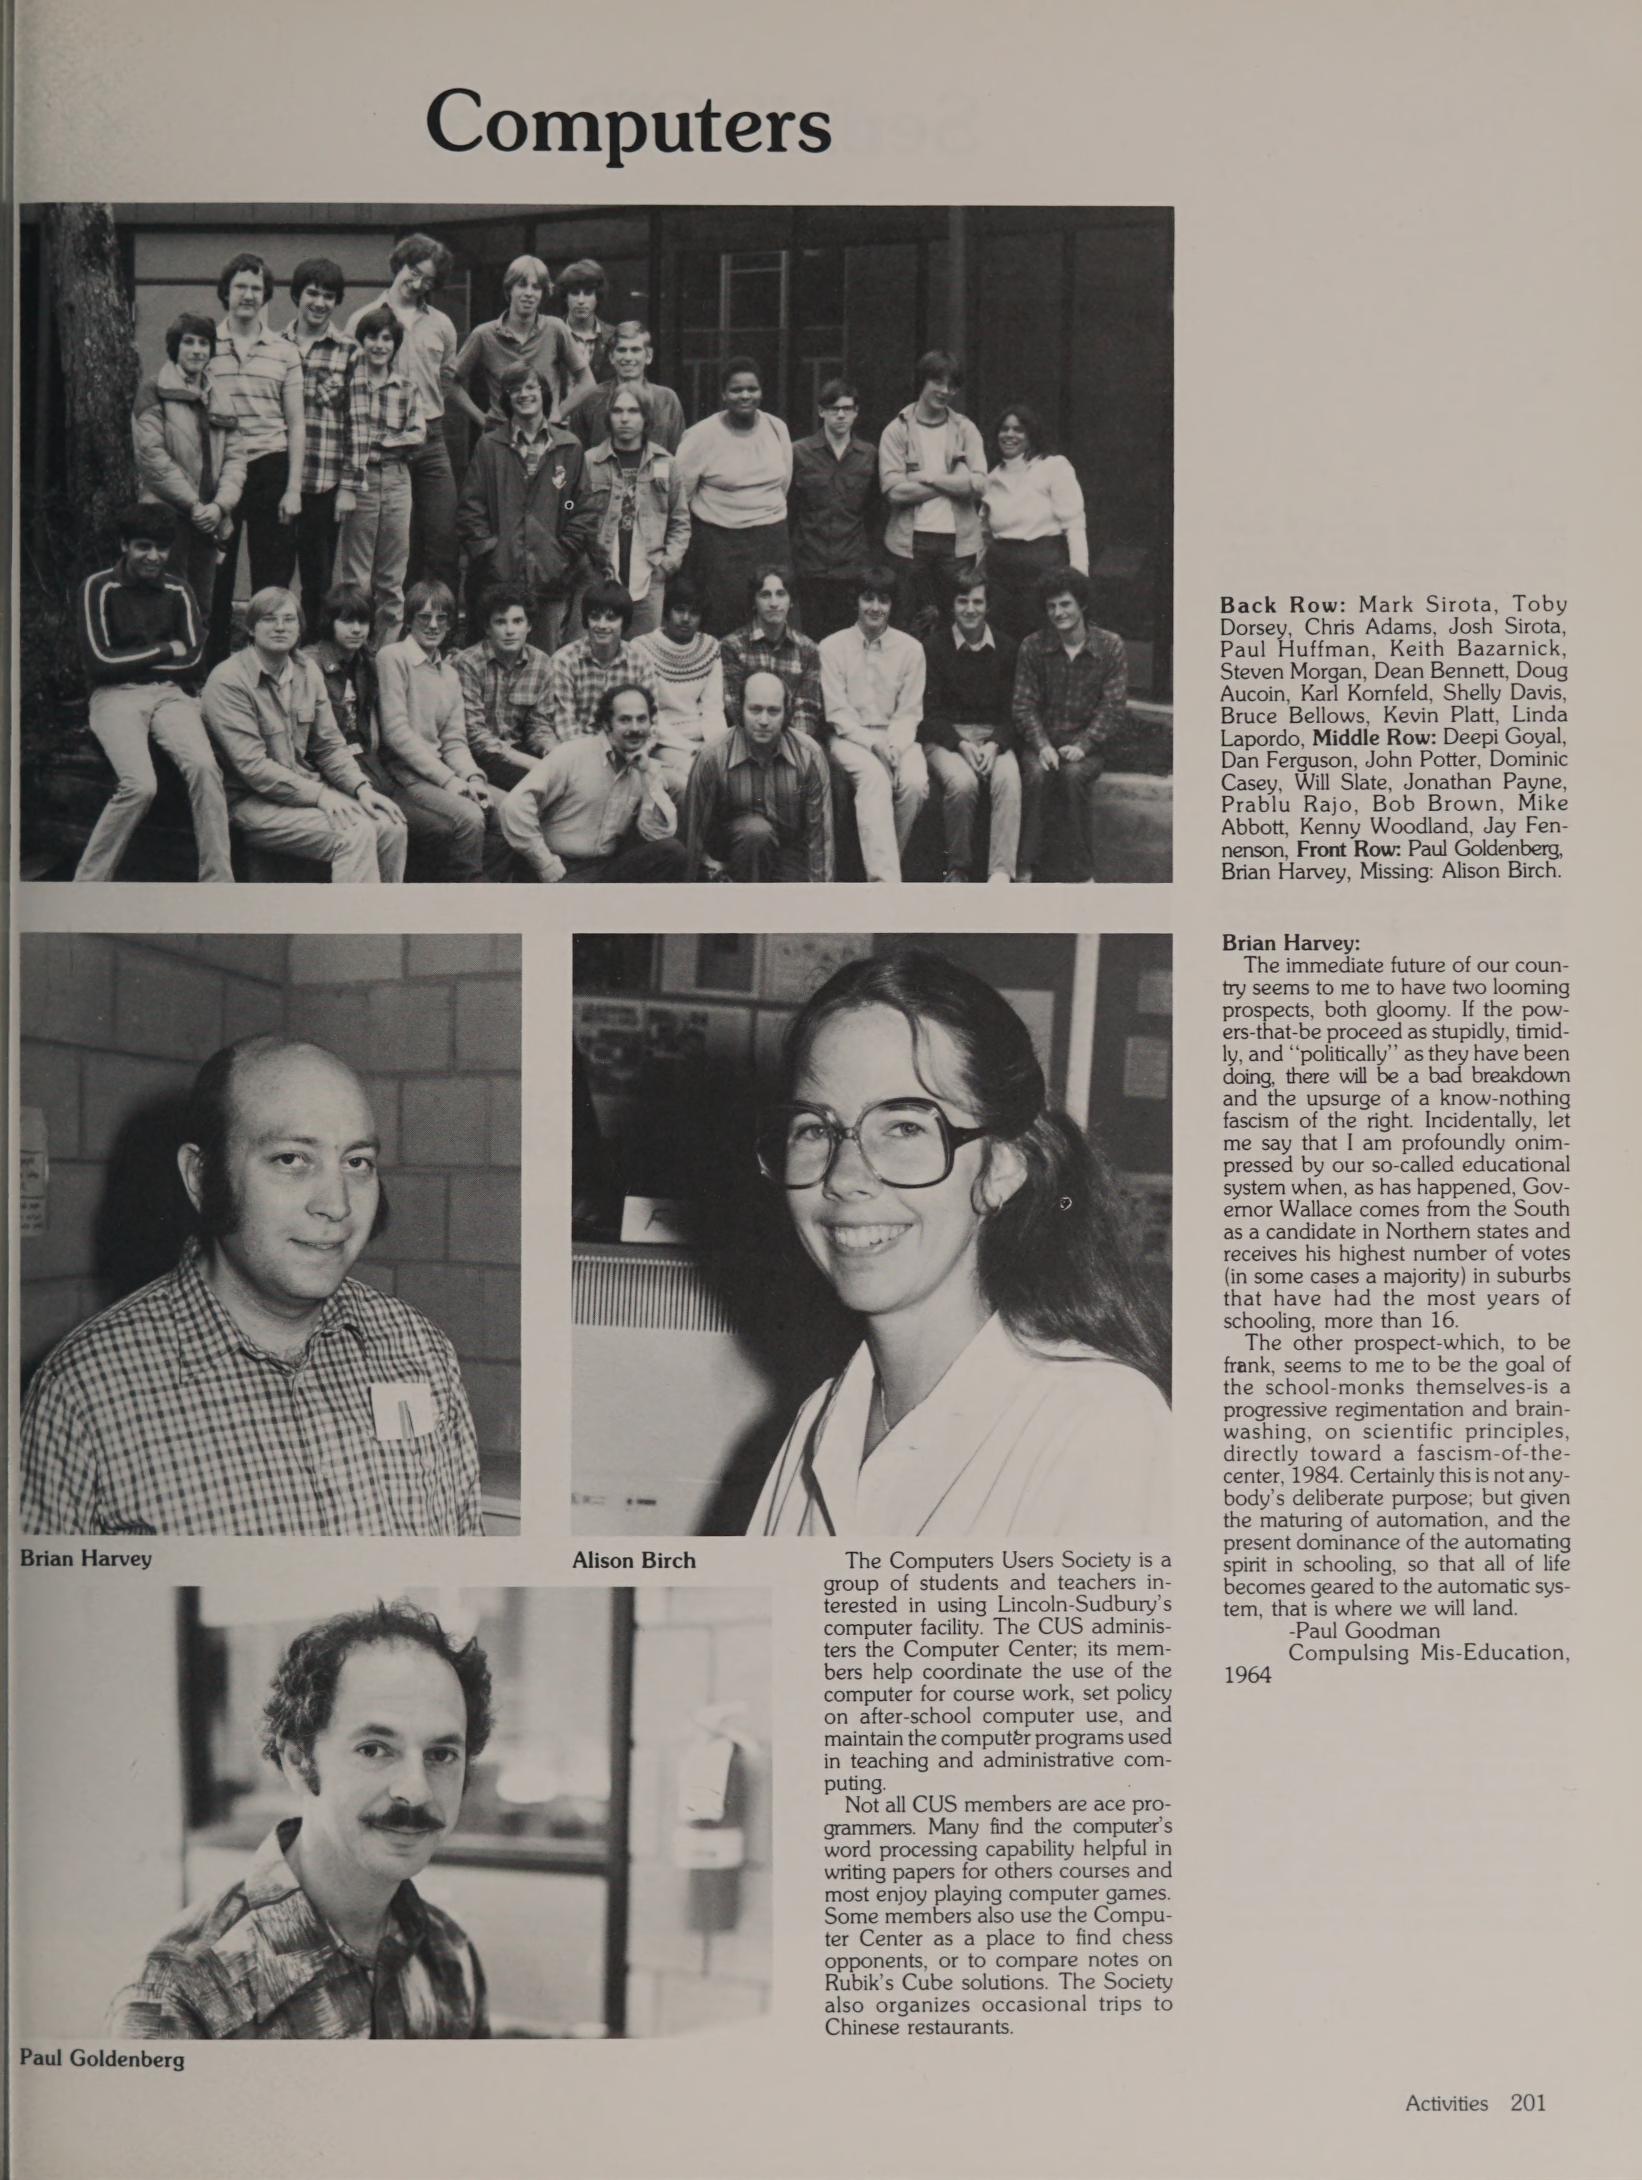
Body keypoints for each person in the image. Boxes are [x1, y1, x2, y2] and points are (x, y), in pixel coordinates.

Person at [747, 951, 1170, 1537]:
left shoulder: (1098, 1423)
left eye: (904, 1127)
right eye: (816, 1129)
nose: (844, 1176)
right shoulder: (819, 1422)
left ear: (1000, 1168)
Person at [20, 1036, 486, 1534]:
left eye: (357, 1163)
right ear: (201, 1178)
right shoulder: (84, 1391)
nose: (338, 1205)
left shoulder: (421, 1350)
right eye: (291, 1159)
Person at [110, 1600, 492, 2036]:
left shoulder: (450, 1953)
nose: (416, 1789)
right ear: (298, 1761)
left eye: (441, 1755)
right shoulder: (180, 1987)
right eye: (373, 1749)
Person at [73, 504, 234, 884]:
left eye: (162, 548)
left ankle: (220, 886)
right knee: (140, 786)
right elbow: (99, 663)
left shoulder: (179, 589)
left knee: (205, 768)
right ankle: (86, 885)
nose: (154, 557)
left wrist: (132, 660)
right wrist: (165, 649)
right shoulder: (97, 587)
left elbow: (195, 660)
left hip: (170, 695)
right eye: (143, 546)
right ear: (124, 545)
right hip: (113, 696)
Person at [200, 587, 407, 882]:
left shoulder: (306, 671)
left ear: (300, 628)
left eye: (289, 619)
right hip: (251, 802)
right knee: (355, 832)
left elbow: (330, 745)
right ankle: (354, 928)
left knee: (391, 825)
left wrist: (362, 789)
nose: (281, 627)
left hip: (304, 793)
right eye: (270, 619)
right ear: (251, 627)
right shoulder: (228, 681)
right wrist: (321, 796)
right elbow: (254, 769)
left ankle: (384, 923)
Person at [345, 234, 461, 590]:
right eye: (413, 272)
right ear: (399, 265)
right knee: (393, 544)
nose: (417, 284)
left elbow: (446, 377)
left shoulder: (442, 324)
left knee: (442, 533)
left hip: (430, 437)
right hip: (382, 445)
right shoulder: (363, 318)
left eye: (428, 280)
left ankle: (439, 626)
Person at [376, 582, 514, 880]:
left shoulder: (450, 674)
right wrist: (450, 781)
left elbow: (454, 740)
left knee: (511, 811)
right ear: (410, 619)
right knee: (470, 816)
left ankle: (483, 887)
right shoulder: (393, 657)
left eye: (442, 618)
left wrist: (473, 778)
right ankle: (463, 898)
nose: (433, 625)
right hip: (407, 776)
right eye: (424, 617)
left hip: (445, 777)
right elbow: (396, 732)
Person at [203, 252, 305, 650]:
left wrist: (293, 488)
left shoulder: (284, 350)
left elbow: (296, 423)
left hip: (270, 467)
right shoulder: (205, 344)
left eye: (256, 288)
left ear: (266, 296)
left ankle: (269, 658)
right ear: (226, 292)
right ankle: (211, 666)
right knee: (216, 573)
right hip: (220, 471)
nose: (248, 295)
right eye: (240, 286)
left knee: (272, 573)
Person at [455, 361, 593, 653]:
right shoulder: (490, 446)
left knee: (544, 660)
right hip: (500, 578)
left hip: (549, 576)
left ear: (543, 393)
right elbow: (472, 506)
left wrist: (561, 550)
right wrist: (491, 550)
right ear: (506, 398)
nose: (523, 394)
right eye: (514, 389)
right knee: (497, 660)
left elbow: (578, 505)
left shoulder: (568, 447)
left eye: (531, 387)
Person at [501, 680, 687, 882]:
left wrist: (648, 777)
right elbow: (514, 806)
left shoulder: (643, 768)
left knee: (672, 852)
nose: (635, 728)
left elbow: (657, 834)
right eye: (624, 720)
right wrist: (544, 862)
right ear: (607, 724)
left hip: (602, 869)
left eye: (641, 719)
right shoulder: (572, 754)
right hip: (558, 868)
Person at [1011, 568, 1129, 882]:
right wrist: (1042, 745)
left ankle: (1083, 872)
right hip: (1043, 741)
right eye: (1051, 607)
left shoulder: (1110, 646)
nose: (1058, 613)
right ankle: (1025, 867)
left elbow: (1113, 707)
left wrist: (1084, 744)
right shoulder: (1033, 646)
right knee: (1035, 775)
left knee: (1073, 776)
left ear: (1082, 605)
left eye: (1065, 604)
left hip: (1085, 744)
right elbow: (1024, 705)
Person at [130, 311, 245, 628]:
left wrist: (220, 507)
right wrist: (193, 505)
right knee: (166, 599)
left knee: (201, 604)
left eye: (204, 343)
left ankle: (194, 675)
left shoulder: (220, 396)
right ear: (175, 347)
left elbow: (236, 459)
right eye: (189, 342)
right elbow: (151, 457)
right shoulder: (154, 391)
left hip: (209, 520)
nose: (197, 350)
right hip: (168, 516)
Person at [817, 566, 929, 882]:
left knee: (915, 783)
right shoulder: (831, 647)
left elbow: (909, 712)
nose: (875, 608)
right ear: (857, 601)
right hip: (849, 738)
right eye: (868, 599)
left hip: (898, 737)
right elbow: (837, 712)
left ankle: (886, 866)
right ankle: (884, 884)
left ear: (893, 605)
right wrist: (874, 746)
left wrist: (894, 746)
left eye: (883, 600)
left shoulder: (911, 650)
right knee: (875, 778)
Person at [920, 572, 1026, 882]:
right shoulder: (934, 648)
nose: (970, 609)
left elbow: (1015, 712)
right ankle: (958, 868)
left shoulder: (1007, 649)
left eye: (977, 601)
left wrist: (995, 744)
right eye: (962, 601)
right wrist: (960, 744)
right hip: (947, 738)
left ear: (987, 607)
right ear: (952, 606)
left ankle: (1001, 873)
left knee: (1008, 780)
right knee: (963, 783)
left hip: (993, 737)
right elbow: (929, 713)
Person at [675, 359, 794, 636]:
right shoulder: (701, 435)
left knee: (771, 614)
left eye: (752, 389)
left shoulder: (777, 428)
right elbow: (681, 494)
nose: (745, 396)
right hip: (719, 543)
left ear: (761, 392)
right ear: (723, 394)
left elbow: (783, 481)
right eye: (736, 390)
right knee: (723, 618)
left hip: (771, 539)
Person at [683, 668, 833, 882]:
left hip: (788, 854)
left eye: (773, 711)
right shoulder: (712, 756)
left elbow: (820, 840)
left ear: (786, 714)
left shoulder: (809, 755)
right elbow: (693, 834)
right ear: (739, 711)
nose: (764, 720)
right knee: (756, 833)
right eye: (755, 710)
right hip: (729, 856)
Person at [333, 304, 425, 650]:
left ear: (395, 345)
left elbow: (417, 434)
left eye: (387, 339)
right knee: (357, 576)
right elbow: (339, 432)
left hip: (398, 479)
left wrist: (382, 440)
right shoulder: (350, 386)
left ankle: (383, 652)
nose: (379, 345)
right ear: (362, 341)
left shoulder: (406, 388)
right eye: (372, 337)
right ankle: (352, 648)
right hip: (360, 480)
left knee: (391, 577)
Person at [878, 350, 985, 637]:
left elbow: (977, 485)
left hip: (958, 544)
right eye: (938, 381)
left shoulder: (965, 429)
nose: (945, 391)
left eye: (952, 385)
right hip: (909, 544)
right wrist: (952, 481)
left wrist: (927, 477)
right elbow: (894, 492)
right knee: (905, 623)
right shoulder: (896, 429)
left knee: (958, 622)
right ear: (922, 381)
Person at [281, 257, 359, 638]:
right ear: (297, 295)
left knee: (318, 580)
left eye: (329, 296)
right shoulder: (273, 346)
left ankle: (314, 656)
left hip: (324, 485)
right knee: (276, 578)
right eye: (312, 293)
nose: (319, 302)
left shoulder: (350, 351)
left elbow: (355, 425)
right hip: (277, 482)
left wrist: (347, 485)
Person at [580, 385, 691, 639]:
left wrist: (667, 564)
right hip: (599, 572)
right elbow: (569, 508)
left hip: (648, 573)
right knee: (594, 645)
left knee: (645, 649)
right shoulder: (589, 461)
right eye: (618, 411)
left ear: (646, 418)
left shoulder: (666, 463)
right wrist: (586, 562)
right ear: (608, 417)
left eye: (633, 411)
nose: (625, 418)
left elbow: (680, 519)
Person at [981, 402, 1089, 644]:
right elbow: (984, 533)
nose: (1009, 435)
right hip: (1001, 577)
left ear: (1031, 434)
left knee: (1041, 642)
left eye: (1018, 429)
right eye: (1004, 429)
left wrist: (1078, 580)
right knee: (1004, 643)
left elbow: (1074, 524)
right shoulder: (991, 477)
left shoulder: (1053, 467)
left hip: (1042, 570)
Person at [450, 254, 587, 429]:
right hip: (502, 437)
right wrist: (480, 418)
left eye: (536, 287)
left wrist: (558, 412)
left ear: (543, 293)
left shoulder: (555, 328)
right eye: (522, 285)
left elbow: (587, 381)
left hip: (545, 436)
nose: (529, 293)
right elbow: (449, 382)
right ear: (509, 290)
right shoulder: (484, 334)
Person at [789, 378, 880, 640]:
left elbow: (875, 510)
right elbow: (790, 509)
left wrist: (867, 556)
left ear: (856, 412)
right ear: (821, 412)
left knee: (848, 642)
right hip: (810, 566)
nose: (841, 415)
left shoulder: (869, 455)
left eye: (847, 408)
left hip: (852, 566)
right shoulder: (800, 452)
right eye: (833, 408)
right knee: (811, 640)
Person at [452, 581, 556, 787]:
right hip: (480, 755)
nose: (510, 630)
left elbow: (539, 725)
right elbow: (474, 733)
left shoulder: (541, 663)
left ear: (529, 626)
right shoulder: (468, 663)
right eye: (500, 622)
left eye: (518, 621)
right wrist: (531, 763)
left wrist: (551, 750)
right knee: (536, 785)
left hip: (519, 748)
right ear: (487, 628)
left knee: (565, 779)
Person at [631, 576, 728, 793]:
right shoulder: (641, 648)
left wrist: (715, 750)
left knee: (725, 777)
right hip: (662, 741)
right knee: (693, 779)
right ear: (666, 612)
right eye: (679, 610)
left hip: (702, 742)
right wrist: (690, 750)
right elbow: (651, 714)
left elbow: (713, 709)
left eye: (693, 613)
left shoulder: (711, 647)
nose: (685, 619)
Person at [543, 578, 661, 743]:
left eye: (611, 618)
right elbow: (565, 727)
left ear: (624, 622)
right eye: (595, 617)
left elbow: (652, 723)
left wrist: (633, 754)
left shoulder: (641, 661)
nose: (602, 625)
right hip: (578, 753)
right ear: (586, 620)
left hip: (629, 750)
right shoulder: (564, 661)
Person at [720, 565, 823, 741]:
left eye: (781, 594)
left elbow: (806, 709)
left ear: (791, 601)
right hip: (746, 741)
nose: (774, 603)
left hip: (793, 743)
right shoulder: (732, 646)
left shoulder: (808, 650)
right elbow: (735, 708)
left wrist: (790, 750)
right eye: (765, 595)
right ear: (754, 602)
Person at [558, 321, 685, 454]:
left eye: (635, 350)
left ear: (648, 356)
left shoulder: (666, 400)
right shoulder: (591, 398)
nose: (628, 357)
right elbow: (576, 455)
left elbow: (678, 455)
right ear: (612, 356)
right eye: (622, 350)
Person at [555, 258, 616, 385]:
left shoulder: (612, 337)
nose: (581, 300)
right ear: (565, 297)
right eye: (575, 293)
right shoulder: (552, 333)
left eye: (588, 293)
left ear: (597, 297)